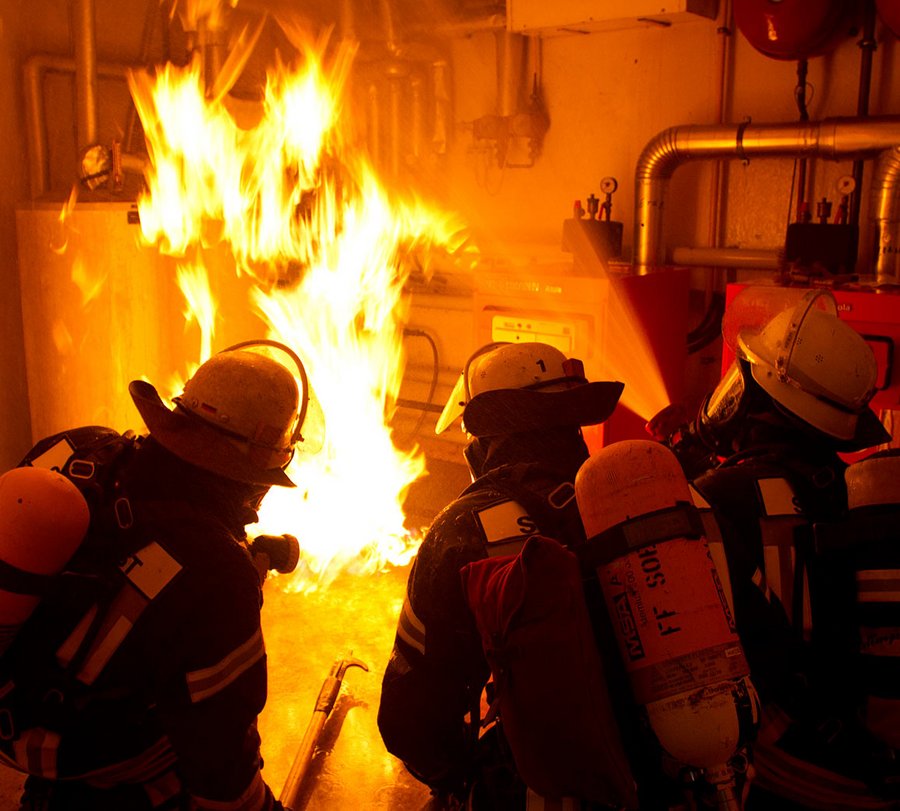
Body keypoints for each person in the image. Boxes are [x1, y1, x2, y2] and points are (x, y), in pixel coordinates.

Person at [0, 340, 320, 811]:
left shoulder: (78, 448)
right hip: (89, 758)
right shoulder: (216, 574)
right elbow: (221, 769)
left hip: (17, 709)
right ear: (257, 470)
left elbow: (115, 565)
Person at [378, 341, 652, 809]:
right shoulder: (643, 497)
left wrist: (461, 780)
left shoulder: (464, 530)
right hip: (656, 779)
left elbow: (411, 719)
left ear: (486, 437)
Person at [652, 289, 895, 809]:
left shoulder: (716, 503)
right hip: (873, 777)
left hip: (778, 780)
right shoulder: (858, 498)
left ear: (757, 396)